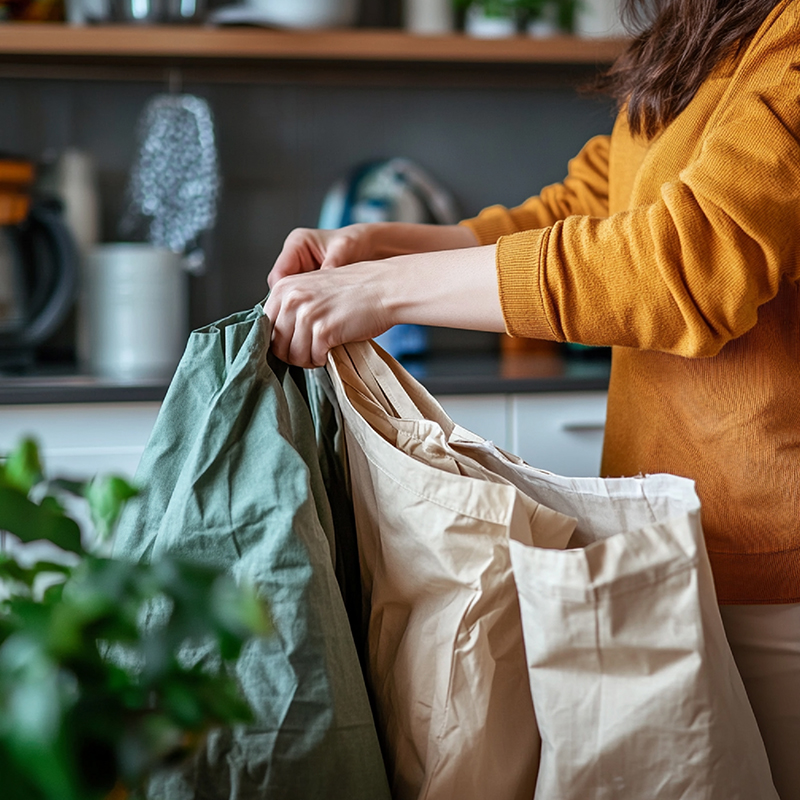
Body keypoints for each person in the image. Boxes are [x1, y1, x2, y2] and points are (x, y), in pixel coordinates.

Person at [265, 0, 800, 795]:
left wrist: (386, 289)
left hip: (773, 583)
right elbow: (581, 210)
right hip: (662, 545)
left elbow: (681, 264)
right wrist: (375, 249)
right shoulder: (706, 32)